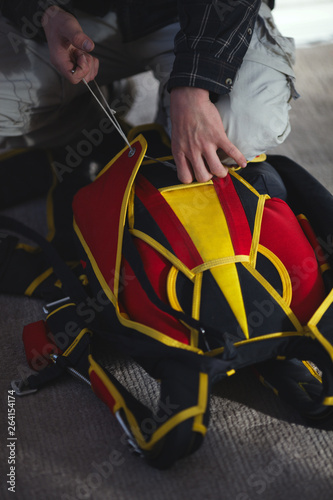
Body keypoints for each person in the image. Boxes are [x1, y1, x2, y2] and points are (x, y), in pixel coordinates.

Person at [0, 1, 297, 183]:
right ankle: (97, 114)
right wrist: (46, 14)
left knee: (236, 131)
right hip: (82, 14)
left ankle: (167, 127)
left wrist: (194, 86)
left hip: (198, 13)